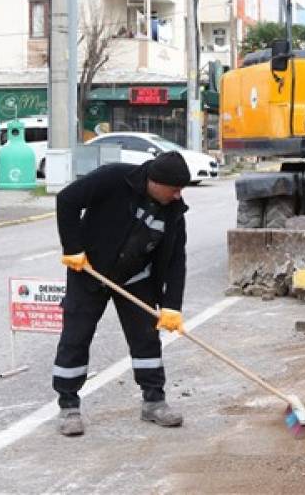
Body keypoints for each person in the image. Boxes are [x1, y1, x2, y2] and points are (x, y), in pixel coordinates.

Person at [53, 150, 192, 437]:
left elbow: (176, 260)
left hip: (135, 278)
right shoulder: (114, 178)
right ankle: (68, 405)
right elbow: (66, 200)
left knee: (146, 338)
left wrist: (171, 306)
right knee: (75, 337)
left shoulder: (174, 212)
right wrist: (73, 249)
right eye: (175, 189)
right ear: (156, 181)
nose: (178, 195)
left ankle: (154, 401)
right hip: (89, 270)